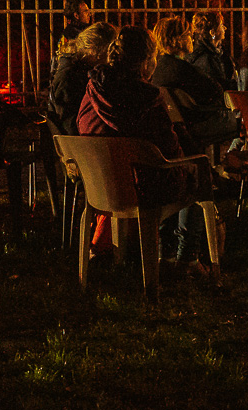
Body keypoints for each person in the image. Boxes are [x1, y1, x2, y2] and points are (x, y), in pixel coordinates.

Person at [77, 25, 205, 265]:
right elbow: (169, 152)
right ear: (146, 61)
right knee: (191, 174)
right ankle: (186, 259)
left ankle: (163, 253)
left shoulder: (91, 91)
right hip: (140, 189)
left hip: (97, 186)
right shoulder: (147, 100)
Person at [151, 16, 239, 149]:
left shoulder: (159, 67)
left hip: (182, 122)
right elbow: (216, 92)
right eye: (188, 35)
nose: (192, 39)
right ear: (177, 40)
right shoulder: (183, 69)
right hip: (200, 122)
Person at [45, 22, 113, 136]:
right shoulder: (71, 77)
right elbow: (70, 127)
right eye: (109, 51)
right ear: (93, 50)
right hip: (78, 147)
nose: (111, 57)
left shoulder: (76, 69)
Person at [186, 9, 232, 90]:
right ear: (212, 32)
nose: (225, 28)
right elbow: (219, 86)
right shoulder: (207, 58)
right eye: (221, 25)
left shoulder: (213, 52)